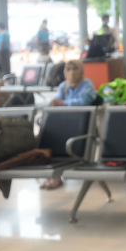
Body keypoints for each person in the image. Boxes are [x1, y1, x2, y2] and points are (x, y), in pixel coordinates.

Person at [42, 59, 97, 190]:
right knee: (50, 138)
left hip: (83, 124)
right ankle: (53, 174)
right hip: (66, 122)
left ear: (81, 70)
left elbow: (83, 101)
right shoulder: (64, 86)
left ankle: (56, 175)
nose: (71, 72)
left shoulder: (87, 84)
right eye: (69, 69)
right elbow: (57, 100)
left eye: (75, 69)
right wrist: (55, 102)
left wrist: (62, 103)